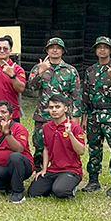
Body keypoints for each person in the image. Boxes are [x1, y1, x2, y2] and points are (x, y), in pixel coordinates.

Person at [27, 37, 82, 171]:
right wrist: (40, 73)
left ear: (63, 51)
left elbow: (76, 95)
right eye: (52, 47)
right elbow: (31, 87)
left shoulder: (70, 70)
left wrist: (76, 116)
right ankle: (40, 172)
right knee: (39, 145)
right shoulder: (38, 68)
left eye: (58, 48)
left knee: (64, 146)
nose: (55, 50)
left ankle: (64, 170)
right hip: (43, 115)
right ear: (47, 50)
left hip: (63, 116)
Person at [80, 36, 111, 195]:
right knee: (93, 148)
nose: (102, 50)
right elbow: (85, 95)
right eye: (99, 47)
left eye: (105, 47)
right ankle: (93, 181)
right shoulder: (90, 71)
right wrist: (84, 118)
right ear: (95, 50)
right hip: (93, 116)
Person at [28, 94, 86, 199]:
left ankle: (69, 187)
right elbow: (46, 148)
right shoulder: (46, 127)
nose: (54, 110)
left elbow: (81, 151)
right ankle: (58, 183)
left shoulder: (74, 127)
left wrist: (70, 134)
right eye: (51, 107)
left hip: (71, 170)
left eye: (57, 107)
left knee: (60, 192)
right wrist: (44, 169)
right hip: (53, 169)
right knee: (33, 192)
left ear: (65, 108)